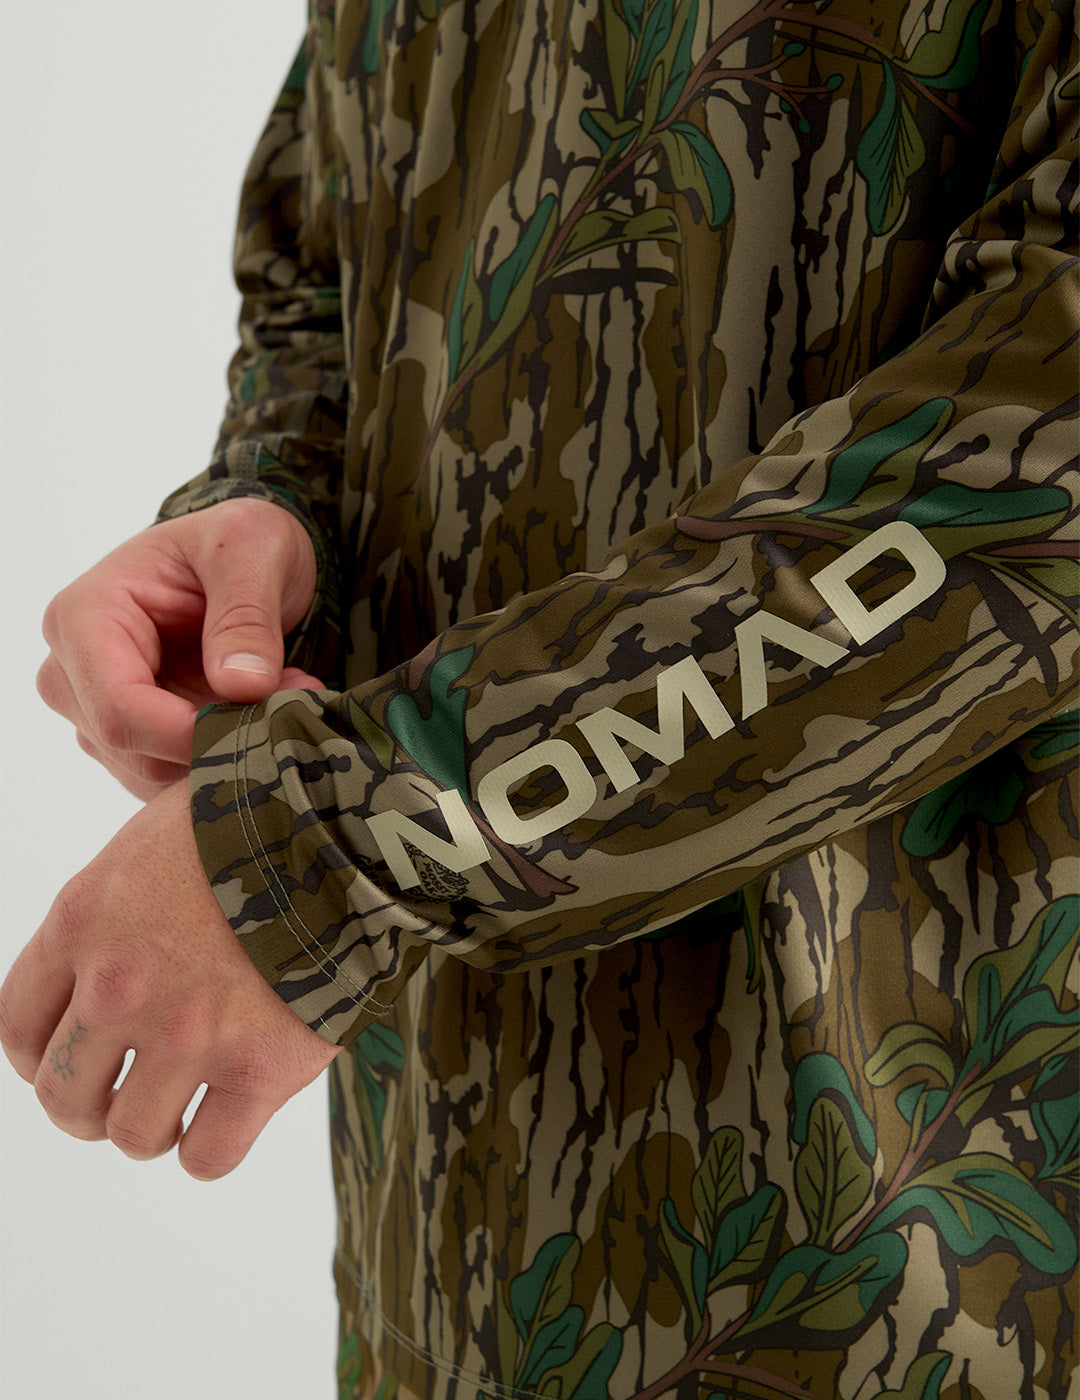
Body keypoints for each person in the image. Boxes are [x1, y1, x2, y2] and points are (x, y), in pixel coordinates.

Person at [2, 0, 1077, 1395]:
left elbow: (1041, 442)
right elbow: (333, 233)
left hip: (916, 1283)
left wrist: (354, 842)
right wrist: (273, 497)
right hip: (450, 1246)